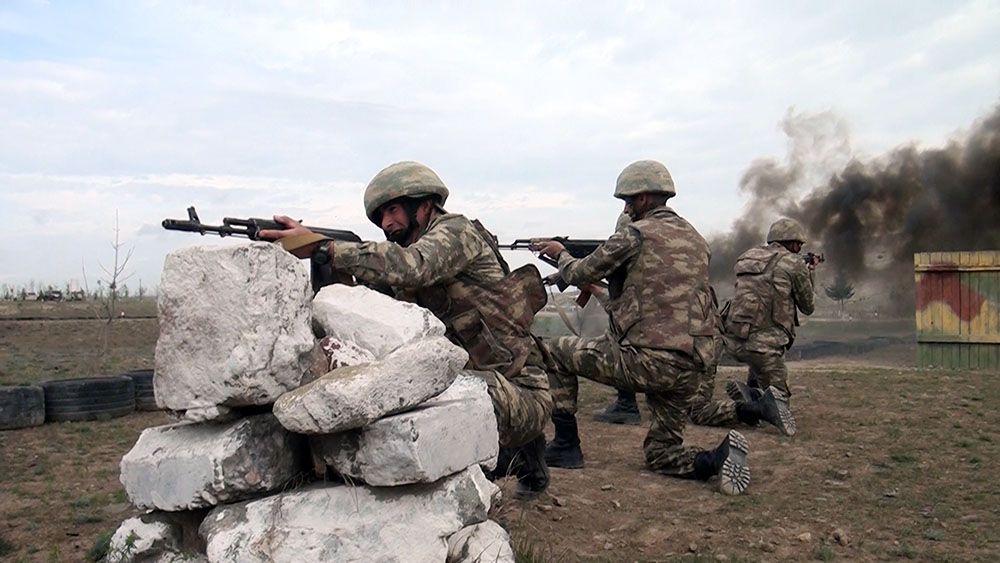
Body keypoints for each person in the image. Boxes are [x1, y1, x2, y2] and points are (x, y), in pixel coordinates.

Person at [261, 161, 554, 500]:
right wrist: (325, 258)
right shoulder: (405, 258)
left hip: (521, 389)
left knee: (443, 395)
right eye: (381, 216)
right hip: (486, 377)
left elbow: (415, 267)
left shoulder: (457, 232)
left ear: (425, 204)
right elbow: (366, 302)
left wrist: (325, 247)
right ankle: (522, 457)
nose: (386, 223)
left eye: (394, 210)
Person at [532, 160, 751, 495]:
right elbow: (648, 296)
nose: (626, 208)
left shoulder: (635, 235)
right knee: (661, 453)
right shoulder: (695, 239)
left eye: (629, 201)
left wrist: (561, 255)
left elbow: (579, 273)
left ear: (645, 198)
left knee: (552, 351)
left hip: (648, 364)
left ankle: (565, 446)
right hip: (692, 368)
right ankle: (717, 459)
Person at [721, 217, 816, 431]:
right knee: (781, 410)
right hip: (766, 348)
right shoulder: (793, 264)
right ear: (792, 243)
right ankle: (756, 399)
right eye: (799, 244)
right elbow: (808, 306)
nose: (799, 248)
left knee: (758, 359)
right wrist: (810, 273)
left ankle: (753, 392)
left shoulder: (748, 257)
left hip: (733, 339)